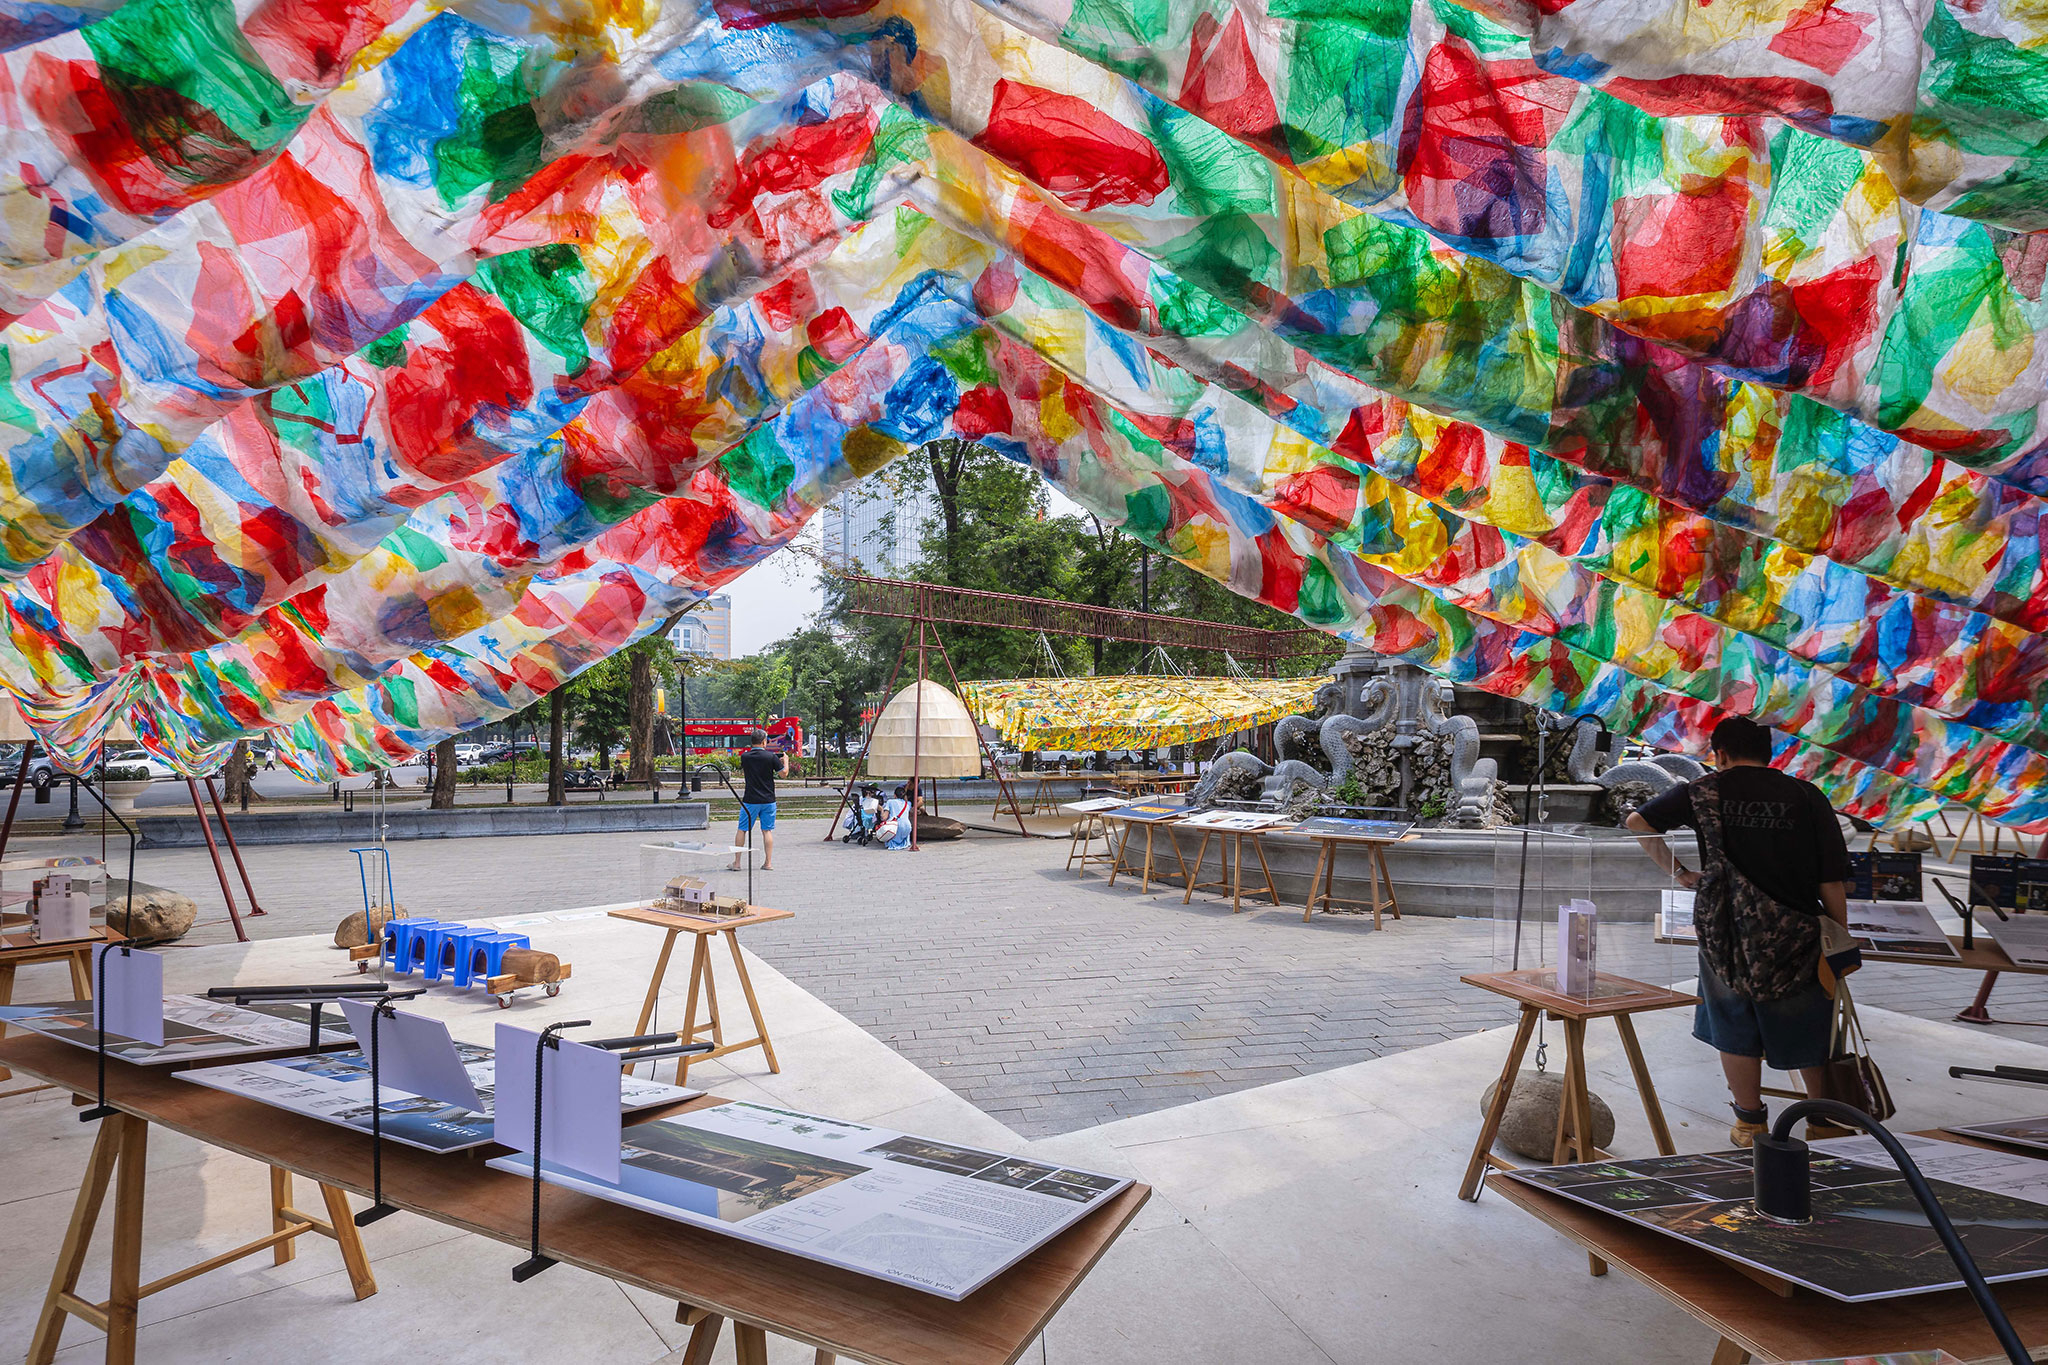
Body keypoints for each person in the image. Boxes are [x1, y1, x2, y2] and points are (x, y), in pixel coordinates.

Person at [1626, 715, 1853, 1147]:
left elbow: (1638, 823)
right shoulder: (1805, 795)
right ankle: (1822, 1120)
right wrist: (1839, 935)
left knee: (1733, 1020)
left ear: (1721, 754)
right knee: (1807, 1023)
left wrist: (1681, 873)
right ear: (1769, 753)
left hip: (1723, 930)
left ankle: (1750, 1123)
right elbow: (1831, 878)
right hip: (1797, 932)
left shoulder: (1701, 791)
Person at [733, 731, 790, 871]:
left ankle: (737, 863)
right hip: (768, 799)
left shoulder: (745, 757)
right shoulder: (771, 757)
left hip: (750, 799)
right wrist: (786, 761)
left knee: (742, 829)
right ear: (764, 741)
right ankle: (768, 863)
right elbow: (784, 774)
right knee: (767, 831)